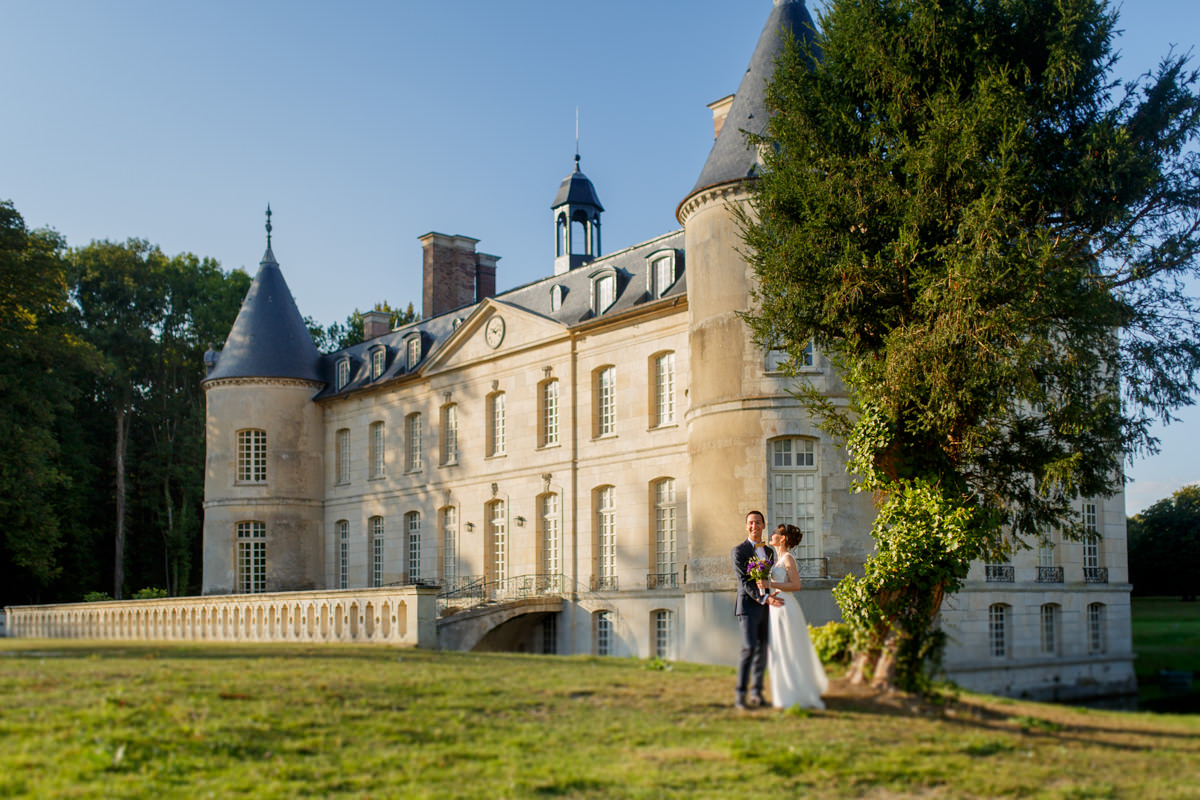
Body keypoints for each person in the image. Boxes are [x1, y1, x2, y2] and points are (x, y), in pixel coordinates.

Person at [760, 523, 828, 710]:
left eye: (775, 533)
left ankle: (796, 693)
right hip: (776, 606)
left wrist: (771, 583)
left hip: (785, 606)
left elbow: (796, 585)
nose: (771, 535)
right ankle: (784, 693)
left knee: (789, 647)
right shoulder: (777, 559)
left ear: (782, 538)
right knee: (779, 649)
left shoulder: (788, 558)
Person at [731, 509, 779, 709]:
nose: (754, 526)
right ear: (746, 526)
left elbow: (770, 579)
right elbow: (744, 581)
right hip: (748, 607)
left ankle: (756, 694)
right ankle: (740, 695)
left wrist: (772, 596)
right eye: (751, 523)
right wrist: (764, 597)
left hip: (766, 607)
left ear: (763, 526)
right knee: (749, 648)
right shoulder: (739, 551)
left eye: (758, 523)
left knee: (763, 650)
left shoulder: (769, 552)